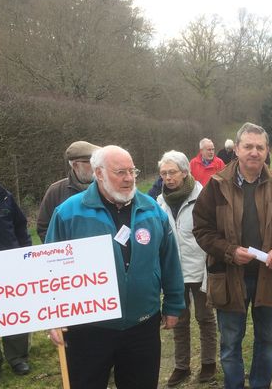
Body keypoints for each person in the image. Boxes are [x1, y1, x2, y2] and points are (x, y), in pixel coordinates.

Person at [46, 145, 185, 389]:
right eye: (120, 172)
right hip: (88, 329)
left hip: (142, 324)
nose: (129, 178)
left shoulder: (152, 210)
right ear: (99, 174)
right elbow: (49, 269)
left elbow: (169, 259)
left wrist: (173, 303)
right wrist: (52, 317)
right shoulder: (69, 213)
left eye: (132, 171)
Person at [193, 122, 272, 389]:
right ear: (237, 149)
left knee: (267, 342)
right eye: (248, 146)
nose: (254, 152)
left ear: (268, 151)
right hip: (230, 277)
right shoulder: (216, 185)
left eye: (260, 147)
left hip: (270, 276)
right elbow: (201, 229)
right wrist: (230, 251)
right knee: (230, 343)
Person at [156, 151, 217, 387]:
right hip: (174, 271)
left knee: (205, 317)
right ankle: (181, 366)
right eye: (164, 174)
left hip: (200, 267)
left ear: (184, 172)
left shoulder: (203, 197)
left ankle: (209, 363)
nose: (168, 178)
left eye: (172, 172)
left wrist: (210, 267)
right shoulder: (160, 202)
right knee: (179, 320)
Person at [0, 181, 32, 382]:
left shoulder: (4, 196)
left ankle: (17, 357)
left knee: (14, 312)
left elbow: (20, 226)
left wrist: (25, 255)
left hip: (9, 265)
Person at [37, 140, 101, 242]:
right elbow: (44, 228)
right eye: (90, 162)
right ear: (75, 165)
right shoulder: (56, 191)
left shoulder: (107, 188)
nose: (96, 166)